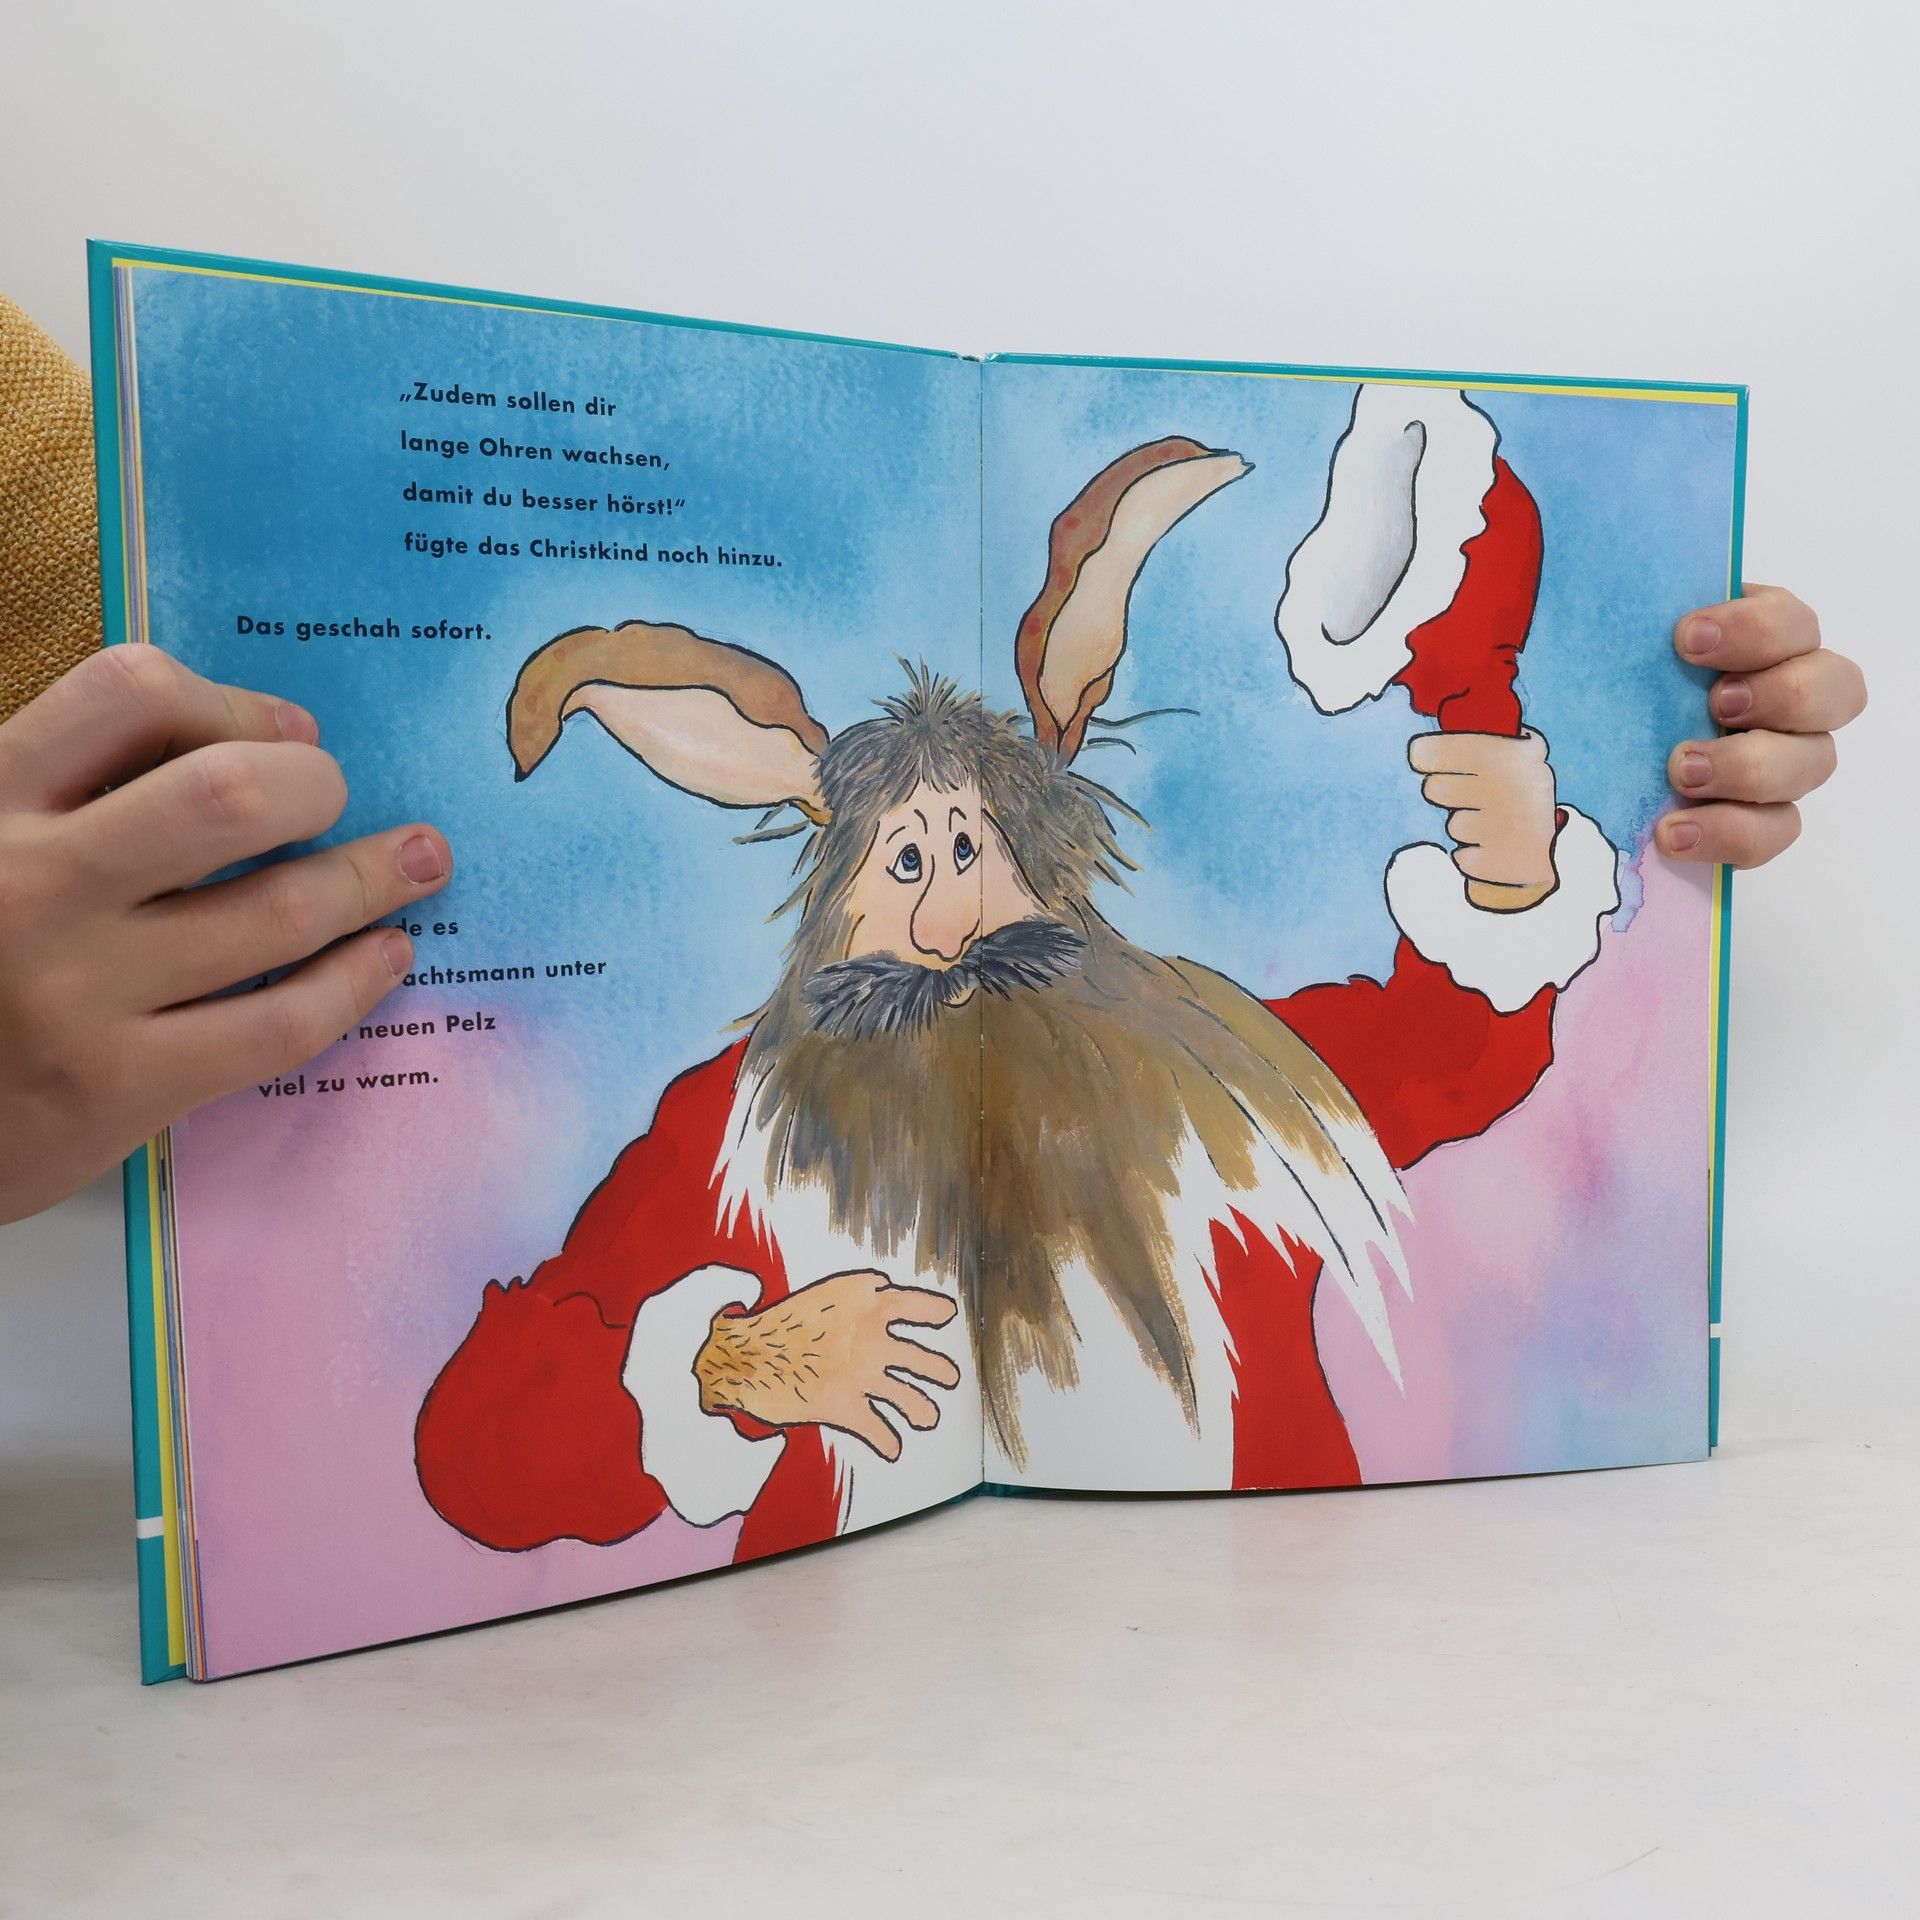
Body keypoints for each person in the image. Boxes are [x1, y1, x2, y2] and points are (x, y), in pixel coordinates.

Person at [0, 296, 1868, 1229]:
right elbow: (502, 1414)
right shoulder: (714, 1142)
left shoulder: (1212, 1066)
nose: (961, 913)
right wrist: (721, 1372)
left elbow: (1451, 1065)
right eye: (909, 863)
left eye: (980, 857)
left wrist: (1560, 823)